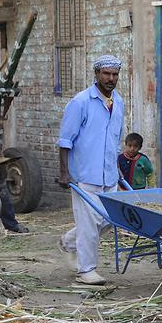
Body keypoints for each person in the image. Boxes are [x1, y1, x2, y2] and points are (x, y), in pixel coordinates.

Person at [57, 55, 126, 285]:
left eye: (114, 74)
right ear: (96, 74)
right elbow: (65, 140)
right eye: (106, 74)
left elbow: (115, 140)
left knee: (111, 219)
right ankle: (86, 270)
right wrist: (64, 172)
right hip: (84, 175)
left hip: (109, 174)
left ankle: (68, 242)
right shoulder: (81, 102)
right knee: (89, 225)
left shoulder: (118, 102)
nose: (110, 78)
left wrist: (118, 168)